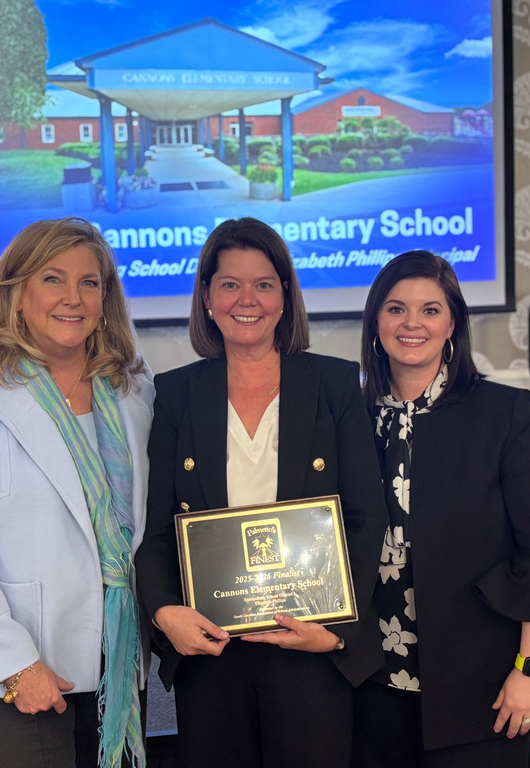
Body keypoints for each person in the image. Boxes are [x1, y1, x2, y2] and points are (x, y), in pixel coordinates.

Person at [135, 217, 387, 768]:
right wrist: (161, 612)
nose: (245, 299)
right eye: (229, 284)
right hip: (211, 649)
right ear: (206, 296)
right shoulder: (175, 394)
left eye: (264, 284)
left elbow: (368, 517)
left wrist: (336, 632)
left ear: (285, 297)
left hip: (308, 647)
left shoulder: (335, 384)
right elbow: (155, 531)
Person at [0, 218, 153, 768]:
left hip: (115, 659)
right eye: (53, 279)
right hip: (16, 665)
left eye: (90, 283)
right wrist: (14, 664)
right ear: (16, 292)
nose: (73, 298)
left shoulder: (133, 388)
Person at [352, 250, 530, 767]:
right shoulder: (348, 417)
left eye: (430, 310)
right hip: (369, 684)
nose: (412, 324)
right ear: (376, 322)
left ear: (453, 324)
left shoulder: (505, 414)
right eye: (396, 309)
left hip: (480, 685)